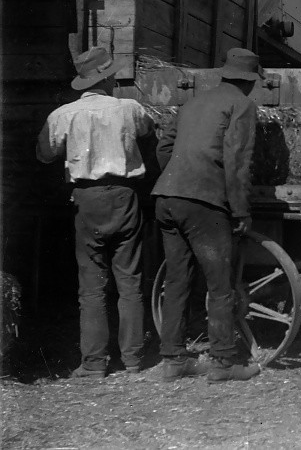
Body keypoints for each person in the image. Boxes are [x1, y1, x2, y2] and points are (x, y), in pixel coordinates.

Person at [36, 46, 154, 378]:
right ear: (109, 77)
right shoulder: (129, 108)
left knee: (91, 285)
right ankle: (133, 360)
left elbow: (44, 154)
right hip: (124, 196)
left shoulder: (62, 115)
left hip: (86, 200)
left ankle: (94, 363)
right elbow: (147, 130)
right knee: (129, 281)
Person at [152, 48, 263, 382]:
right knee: (220, 283)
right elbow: (237, 161)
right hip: (203, 202)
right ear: (250, 81)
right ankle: (224, 363)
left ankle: (173, 361)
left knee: (176, 280)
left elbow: (163, 149)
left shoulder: (192, 103)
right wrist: (240, 209)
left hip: (167, 197)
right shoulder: (242, 105)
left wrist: (179, 176)